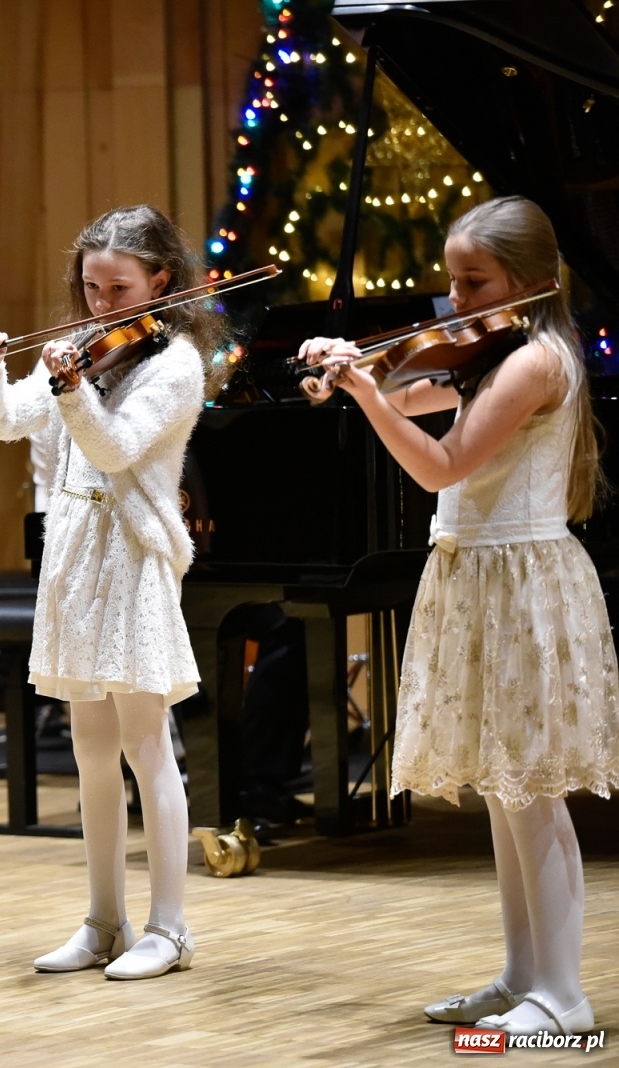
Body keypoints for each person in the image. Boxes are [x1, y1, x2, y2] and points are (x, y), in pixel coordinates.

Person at [299, 196, 619, 1037]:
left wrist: (368, 391)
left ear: (534, 281)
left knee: (533, 793)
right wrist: (358, 377)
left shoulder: (536, 362)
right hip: (477, 576)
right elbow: (416, 406)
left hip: (521, 582)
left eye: (474, 281)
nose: (456, 300)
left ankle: (564, 996)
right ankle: (522, 978)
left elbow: (442, 468)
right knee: (502, 794)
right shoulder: (492, 355)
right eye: (452, 279)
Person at [0, 204, 222, 980]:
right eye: (91, 288)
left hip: (133, 559)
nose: (101, 306)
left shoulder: (176, 366)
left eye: (117, 288)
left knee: (147, 747)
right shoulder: (81, 351)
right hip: (75, 558)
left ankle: (168, 929)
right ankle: (102, 921)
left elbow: (111, 447)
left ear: (160, 281)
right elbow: (1, 422)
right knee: (89, 751)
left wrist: (71, 389)